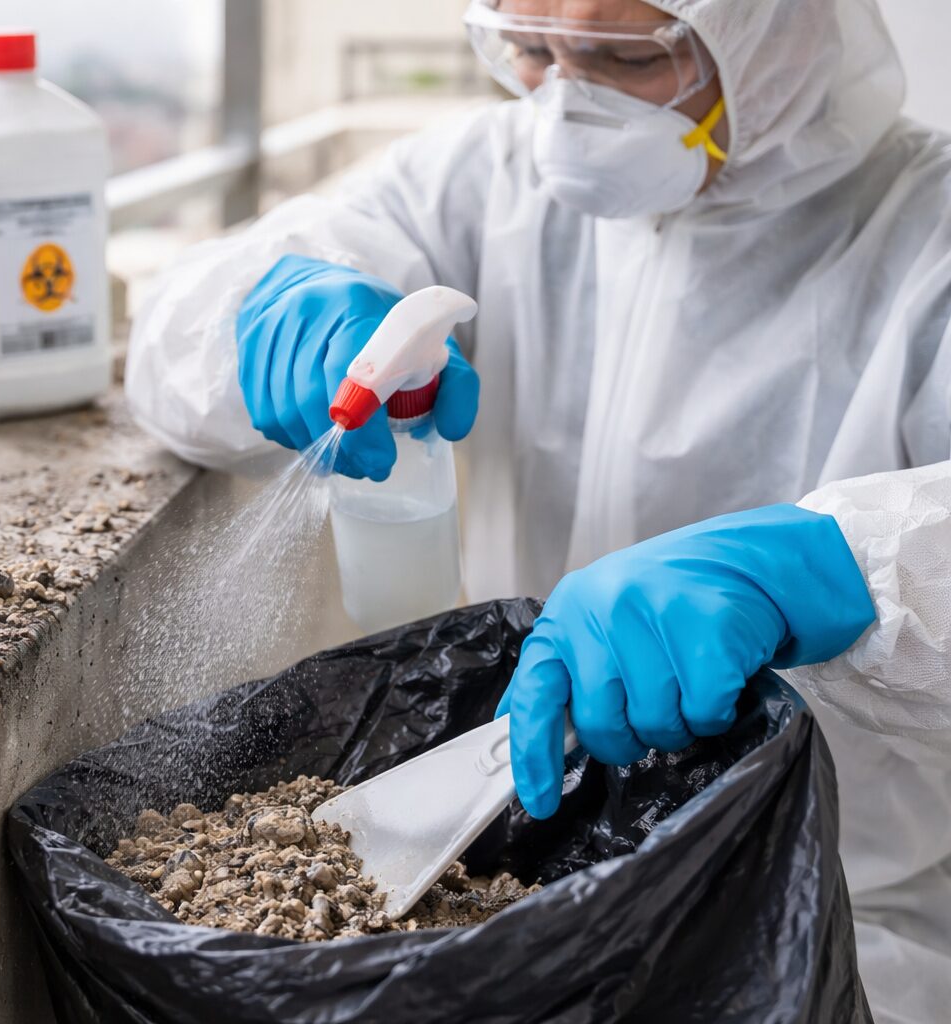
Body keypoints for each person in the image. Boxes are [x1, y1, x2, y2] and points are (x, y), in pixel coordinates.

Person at [124, 0, 951, 1020]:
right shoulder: (486, 179)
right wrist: (269, 311)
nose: (566, 99)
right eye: (528, 47)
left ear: (770, 29)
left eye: (621, 54)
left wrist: (843, 568)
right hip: (528, 893)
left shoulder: (926, 234)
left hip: (841, 916)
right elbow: (173, 334)